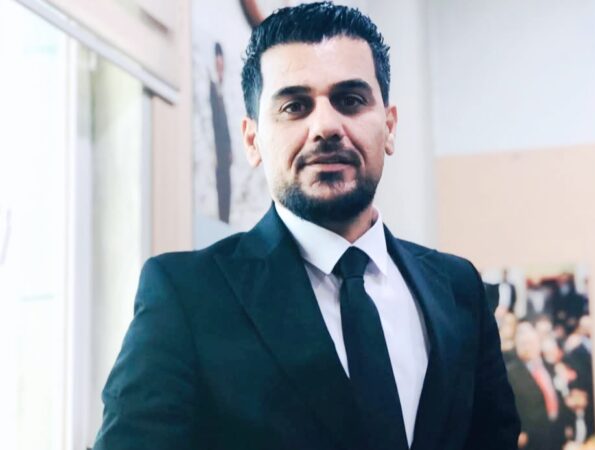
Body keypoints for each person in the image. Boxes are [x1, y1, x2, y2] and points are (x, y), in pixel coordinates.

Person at [92, 3, 519, 450]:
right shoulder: (186, 296)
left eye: (350, 100)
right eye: (295, 106)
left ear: (389, 127)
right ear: (253, 140)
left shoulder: (458, 288)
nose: (326, 126)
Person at [210, 42, 233, 223]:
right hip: (217, 156)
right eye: (218, 62)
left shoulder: (222, 88)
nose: (220, 66)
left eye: (222, 62)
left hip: (225, 156)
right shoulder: (212, 88)